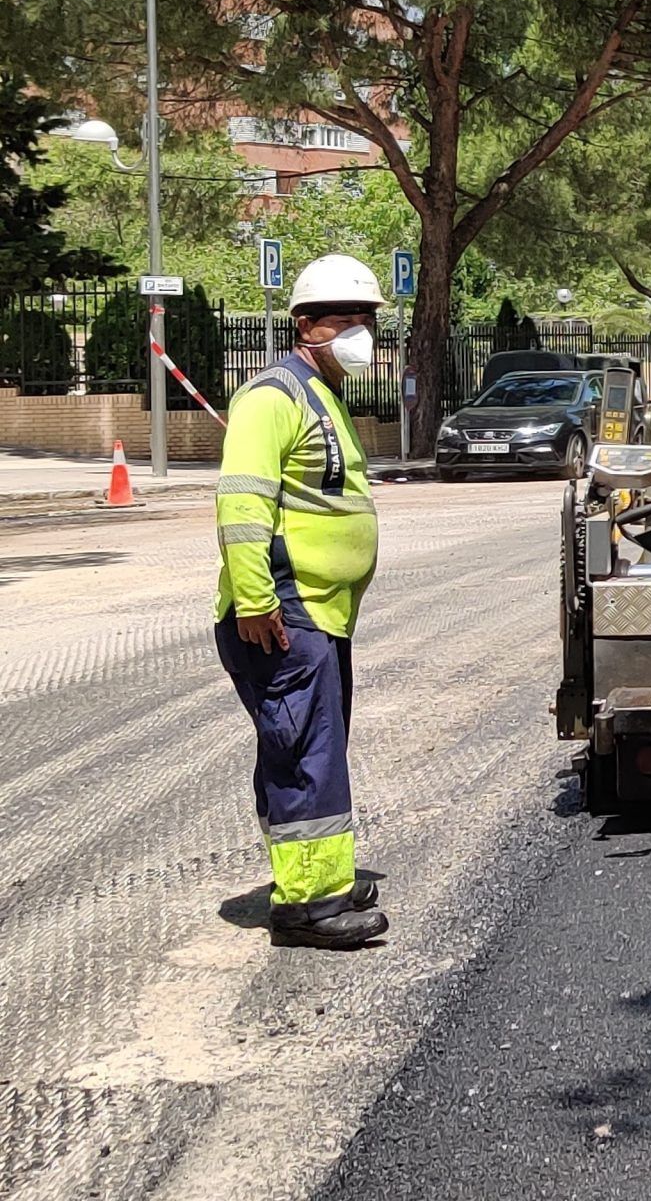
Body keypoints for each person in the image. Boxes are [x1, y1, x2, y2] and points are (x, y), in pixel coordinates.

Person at [213, 254, 390, 949]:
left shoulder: (323, 394)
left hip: (318, 611)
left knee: (314, 746)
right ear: (305, 325)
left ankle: (318, 879)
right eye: (344, 319)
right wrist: (257, 599)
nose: (359, 331)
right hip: (282, 612)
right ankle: (310, 906)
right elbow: (242, 506)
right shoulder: (273, 397)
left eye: (367, 320)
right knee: (304, 750)